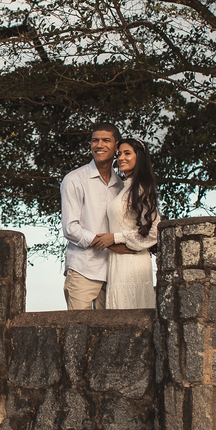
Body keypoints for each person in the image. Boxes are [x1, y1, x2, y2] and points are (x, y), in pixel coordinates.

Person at [61, 122, 126, 309]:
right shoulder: (74, 179)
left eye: (106, 140)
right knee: (78, 325)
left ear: (116, 146)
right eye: (95, 140)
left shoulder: (121, 185)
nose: (99, 145)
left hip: (113, 272)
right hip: (83, 270)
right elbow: (70, 228)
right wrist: (107, 242)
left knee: (110, 326)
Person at [93, 138, 160, 308]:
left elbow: (154, 231)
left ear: (140, 157)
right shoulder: (125, 187)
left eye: (127, 153)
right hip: (118, 262)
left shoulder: (142, 188)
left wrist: (115, 238)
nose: (121, 158)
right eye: (119, 154)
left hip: (133, 262)